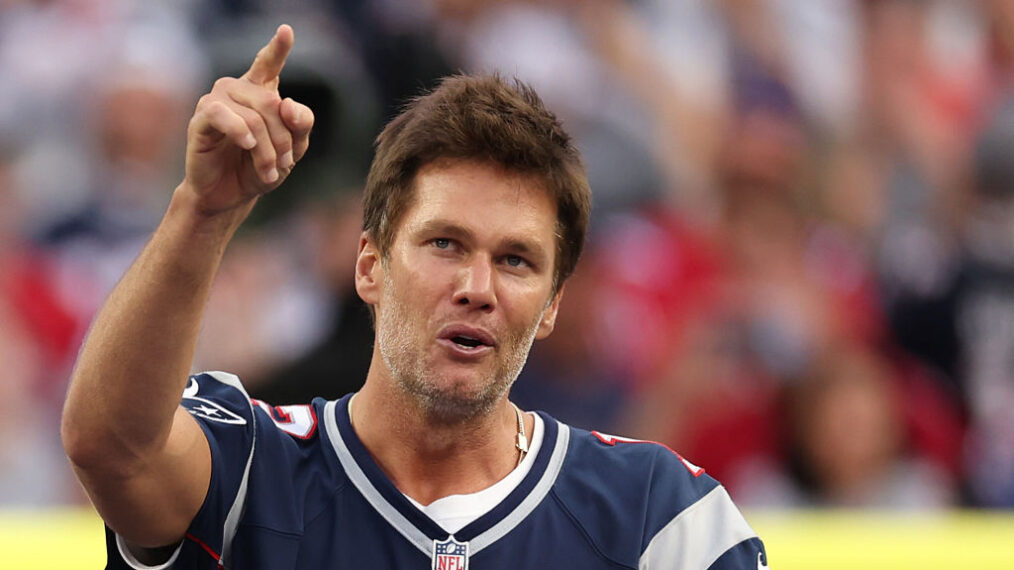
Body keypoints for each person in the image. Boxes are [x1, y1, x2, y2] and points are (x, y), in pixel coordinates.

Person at [61, 25, 768, 569]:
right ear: (369, 266)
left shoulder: (659, 516)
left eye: (516, 260)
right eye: (444, 244)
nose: (477, 288)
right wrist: (202, 212)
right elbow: (110, 447)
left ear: (552, 304)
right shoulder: (251, 466)